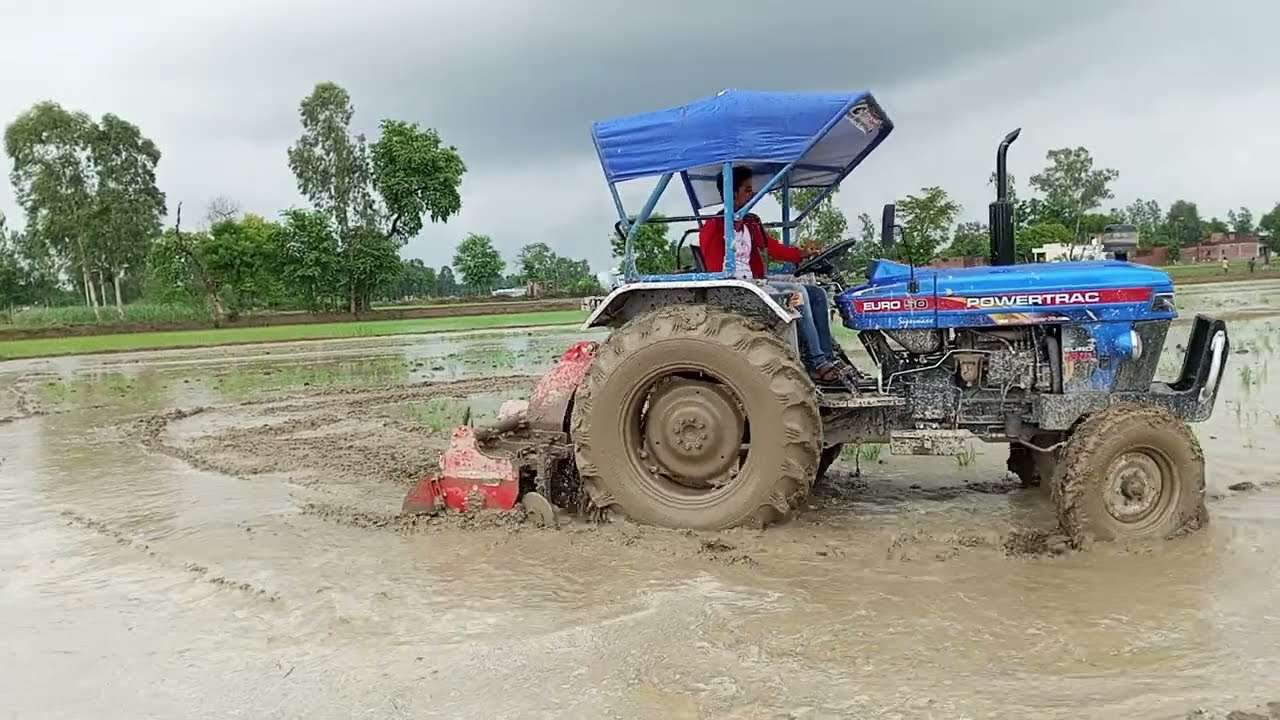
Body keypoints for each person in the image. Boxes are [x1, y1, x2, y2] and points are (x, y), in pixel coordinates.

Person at [698, 166, 859, 388]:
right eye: (747, 190)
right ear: (731, 193)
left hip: (756, 283)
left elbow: (774, 249)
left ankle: (827, 358)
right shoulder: (713, 228)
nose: (751, 195)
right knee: (798, 292)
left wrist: (803, 253)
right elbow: (716, 271)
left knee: (818, 293)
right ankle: (818, 362)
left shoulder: (751, 224)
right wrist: (749, 282)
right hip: (737, 289)